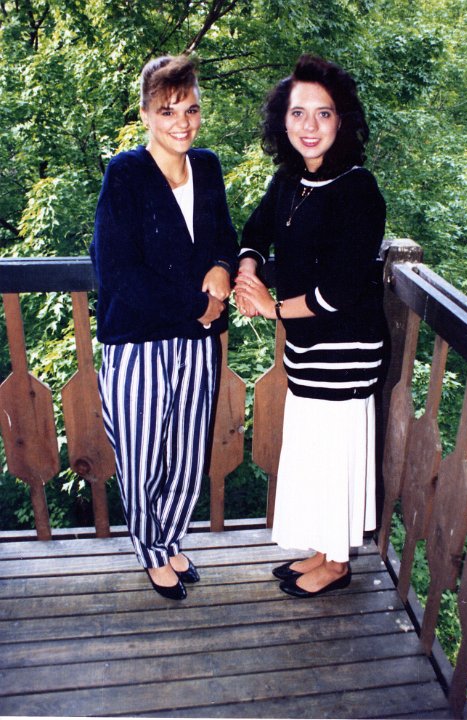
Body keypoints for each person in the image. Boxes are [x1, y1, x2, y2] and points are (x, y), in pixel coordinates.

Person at [235, 54, 387, 598]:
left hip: (347, 349)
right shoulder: (289, 180)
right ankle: (323, 549)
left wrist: (269, 308)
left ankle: (338, 563)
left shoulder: (358, 189)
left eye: (323, 114)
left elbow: (338, 292)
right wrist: (247, 270)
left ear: (342, 121)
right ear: (284, 120)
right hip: (305, 348)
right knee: (316, 453)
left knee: (335, 454)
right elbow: (255, 231)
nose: (310, 126)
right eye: (298, 113)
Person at [90, 55, 238, 600]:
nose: (182, 122)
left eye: (191, 109)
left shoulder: (209, 167)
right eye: (168, 110)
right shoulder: (125, 175)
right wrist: (195, 308)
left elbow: (225, 236)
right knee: (142, 454)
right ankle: (150, 550)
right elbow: (117, 270)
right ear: (146, 114)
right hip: (138, 342)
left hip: (196, 344)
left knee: (188, 451)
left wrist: (223, 265)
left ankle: (170, 537)